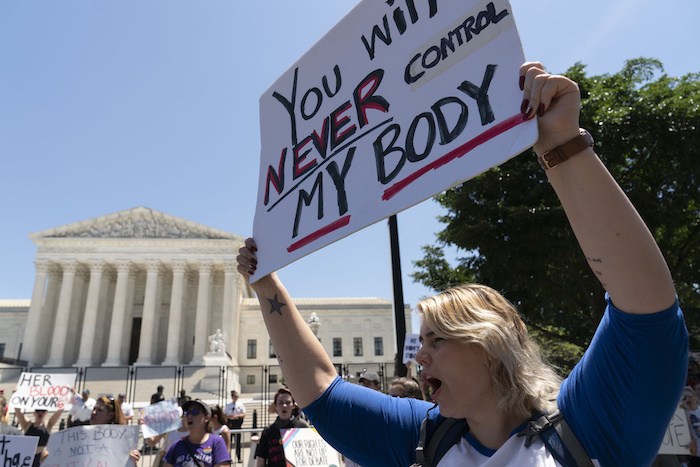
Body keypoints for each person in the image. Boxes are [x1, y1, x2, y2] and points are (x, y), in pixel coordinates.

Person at [236, 62, 688, 466]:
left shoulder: (587, 427)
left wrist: (563, 146)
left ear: (491, 345)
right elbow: (320, 390)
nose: (421, 355)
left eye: (438, 338)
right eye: (423, 339)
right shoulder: (423, 437)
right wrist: (267, 286)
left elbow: (645, 309)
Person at [163, 399, 230, 467]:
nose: (189, 416)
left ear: (207, 418)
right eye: (187, 413)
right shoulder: (176, 446)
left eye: (195, 412)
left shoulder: (216, 443)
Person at [254, 388, 309, 467]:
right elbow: (260, 461)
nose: (284, 405)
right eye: (280, 403)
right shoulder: (268, 431)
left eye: (288, 402)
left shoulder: (302, 427)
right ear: (275, 406)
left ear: (293, 405)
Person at [224, 390, 246, 462]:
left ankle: (239, 457)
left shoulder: (240, 404)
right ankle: (229, 457)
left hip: (237, 423)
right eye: (235, 397)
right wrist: (229, 416)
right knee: (229, 442)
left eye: (237, 397)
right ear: (232, 397)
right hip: (231, 423)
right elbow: (224, 415)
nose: (236, 398)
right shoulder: (228, 406)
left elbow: (244, 414)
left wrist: (237, 415)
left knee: (238, 442)